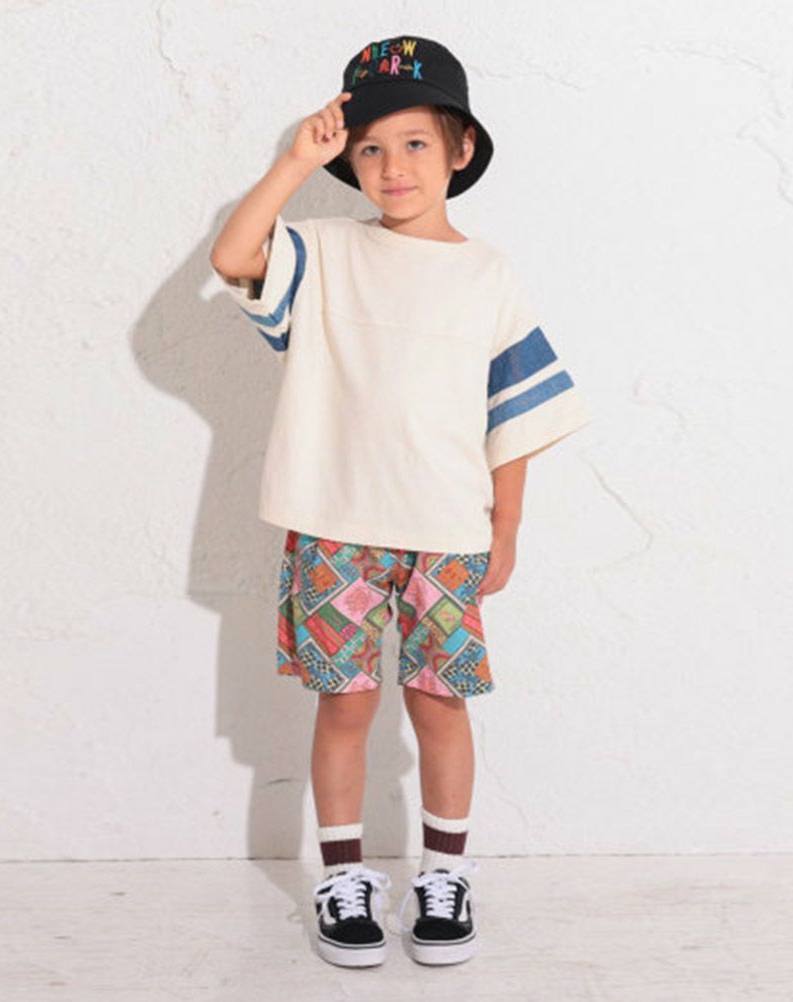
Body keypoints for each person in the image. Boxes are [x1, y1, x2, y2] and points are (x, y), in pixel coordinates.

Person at [209, 35, 593, 969]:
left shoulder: (489, 274)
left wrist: (506, 530)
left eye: (416, 143)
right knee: (344, 707)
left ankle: (445, 875)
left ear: (461, 149)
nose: (393, 166)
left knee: (440, 703)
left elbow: (513, 416)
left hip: (446, 533)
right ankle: (343, 881)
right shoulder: (323, 253)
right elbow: (232, 255)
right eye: (370, 147)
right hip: (334, 525)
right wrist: (294, 162)